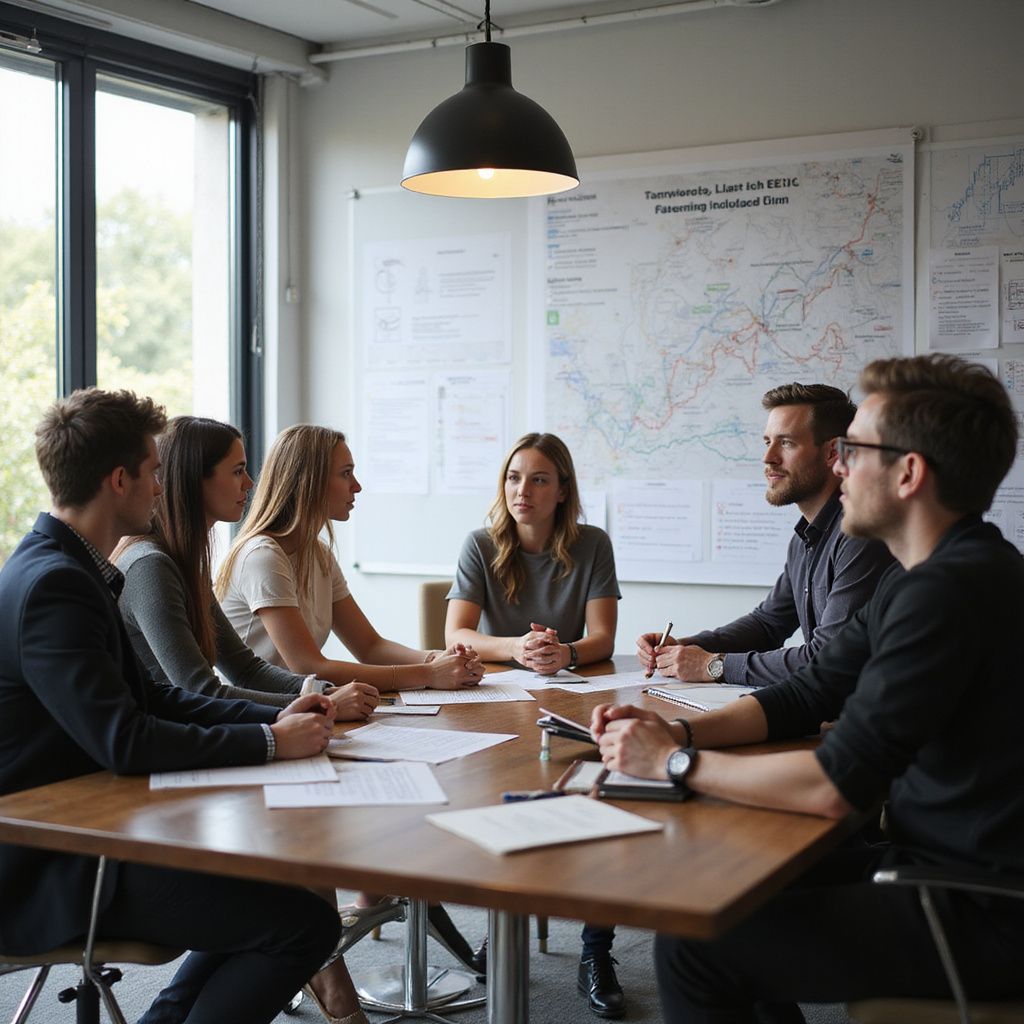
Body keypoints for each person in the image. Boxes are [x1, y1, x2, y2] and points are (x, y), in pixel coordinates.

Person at [594, 354, 1024, 1023]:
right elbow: (810, 690)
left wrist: (674, 764)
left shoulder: (948, 591)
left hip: (982, 906)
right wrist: (672, 731)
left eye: (854, 449)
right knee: (715, 887)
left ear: (908, 473)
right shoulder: (930, 576)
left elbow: (833, 788)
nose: (840, 465)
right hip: (935, 864)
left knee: (693, 944)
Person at [0, 389, 353, 1024]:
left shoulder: (70, 568)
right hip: (48, 866)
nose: (164, 487)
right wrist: (273, 743)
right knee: (302, 924)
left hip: (91, 831)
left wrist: (275, 720)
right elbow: (126, 741)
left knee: (285, 895)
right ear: (119, 480)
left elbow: (156, 695)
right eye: (155, 471)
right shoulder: (56, 584)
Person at [445, 432, 624, 1018]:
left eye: (539, 479)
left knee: (601, 800)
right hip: (501, 698)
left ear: (562, 489)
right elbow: (457, 636)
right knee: (504, 799)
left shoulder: (592, 543)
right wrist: (518, 648)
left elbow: (603, 638)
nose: (523, 490)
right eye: (514, 477)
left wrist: (564, 652)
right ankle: (506, 927)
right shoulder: (481, 543)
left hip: (575, 696)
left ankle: (596, 950)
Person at [116, 415, 378, 720]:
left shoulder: (184, 564)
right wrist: (323, 702)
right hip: (162, 748)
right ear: (194, 479)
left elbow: (246, 670)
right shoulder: (151, 566)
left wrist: (322, 692)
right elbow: (201, 692)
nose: (250, 483)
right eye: (238, 471)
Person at [637, 382, 893, 686]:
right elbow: (768, 623)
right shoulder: (805, 539)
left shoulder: (860, 534)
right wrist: (685, 648)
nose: (768, 457)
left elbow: (826, 658)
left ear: (832, 453)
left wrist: (713, 665)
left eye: (786, 443)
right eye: (767, 441)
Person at [216, 424, 482, 693]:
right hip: (258, 714)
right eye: (346, 474)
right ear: (311, 482)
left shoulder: (318, 554)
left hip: (300, 707)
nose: (357, 486)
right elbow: (307, 665)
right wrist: (429, 674)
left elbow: (370, 647)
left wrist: (438, 659)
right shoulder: (262, 556)